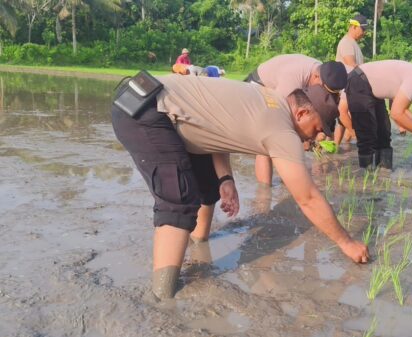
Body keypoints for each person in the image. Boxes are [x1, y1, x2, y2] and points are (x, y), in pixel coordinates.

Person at [111, 75, 369, 300]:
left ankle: (197, 246)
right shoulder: (282, 130)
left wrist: (225, 179)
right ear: (301, 113)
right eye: (315, 129)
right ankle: (162, 296)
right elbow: (308, 198)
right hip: (146, 112)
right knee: (178, 203)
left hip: (154, 102)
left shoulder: (268, 98)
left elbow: (215, 127)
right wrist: (346, 243)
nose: (314, 138)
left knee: (207, 187)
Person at [244, 54, 348, 185]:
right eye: (324, 89)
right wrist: (303, 139)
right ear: (316, 77)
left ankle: (287, 180)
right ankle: (264, 193)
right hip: (259, 86)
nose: (325, 95)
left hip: (279, 92)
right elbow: (281, 115)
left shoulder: (324, 74)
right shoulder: (292, 80)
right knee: (267, 139)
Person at [334, 14, 369, 146]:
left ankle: (341, 148)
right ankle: (353, 138)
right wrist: (368, 76)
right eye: (363, 29)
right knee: (345, 115)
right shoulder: (347, 42)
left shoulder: (354, 44)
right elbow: (351, 64)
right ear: (354, 27)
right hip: (347, 84)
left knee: (344, 121)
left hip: (353, 84)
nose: (364, 33)